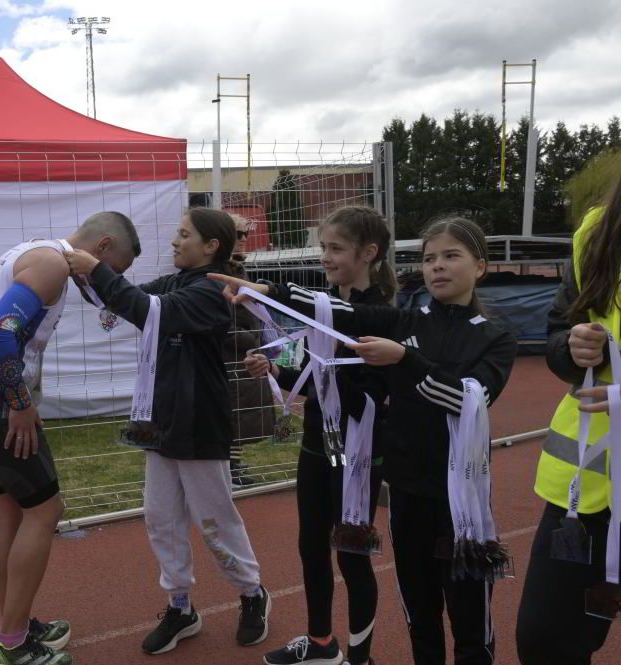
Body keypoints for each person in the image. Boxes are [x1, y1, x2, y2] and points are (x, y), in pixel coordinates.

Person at [212, 216, 518, 665]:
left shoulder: (495, 338)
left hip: (461, 503)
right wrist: (270, 292)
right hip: (408, 494)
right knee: (420, 614)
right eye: (429, 258)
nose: (437, 267)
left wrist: (405, 359)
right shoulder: (405, 319)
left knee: (470, 618)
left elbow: (470, 398)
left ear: (480, 267)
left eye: (451, 256)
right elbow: (343, 313)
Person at [65, 207, 271, 656]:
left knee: (215, 523)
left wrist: (95, 267)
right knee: (161, 520)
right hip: (161, 423)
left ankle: (252, 593)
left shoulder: (212, 290)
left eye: (183, 234)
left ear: (211, 246)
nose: (175, 241)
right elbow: (118, 301)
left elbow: (147, 309)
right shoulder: (176, 282)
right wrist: (79, 264)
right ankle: (180, 607)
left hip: (200, 424)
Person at [0, 212, 141, 665]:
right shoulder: (52, 264)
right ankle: (10, 644)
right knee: (44, 510)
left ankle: (17, 622)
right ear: (103, 247)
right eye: (113, 270)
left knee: (10, 508)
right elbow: (0, 332)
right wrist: (21, 404)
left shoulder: (34, 249)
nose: (108, 282)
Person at [244, 206, 394, 665]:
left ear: (368, 253)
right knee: (311, 546)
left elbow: (368, 393)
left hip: (359, 451)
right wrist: (277, 369)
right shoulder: (322, 304)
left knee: (351, 555)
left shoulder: (382, 316)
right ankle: (321, 644)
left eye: (336, 248)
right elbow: (312, 378)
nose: (325, 257)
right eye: (323, 247)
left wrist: (326, 379)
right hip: (317, 443)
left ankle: (361, 657)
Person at [515, 174, 621, 665]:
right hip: (585, 493)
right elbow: (559, 333)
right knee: (545, 640)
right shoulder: (598, 230)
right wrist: (570, 345)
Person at [225, 214, 277, 487]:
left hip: (245, 356)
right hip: (233, 356)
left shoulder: (238, 269)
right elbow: (222, 321)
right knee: (233, 414)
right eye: (238, 233)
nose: (244, 239)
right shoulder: (225, 272)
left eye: (246, 233)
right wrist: (252, 340)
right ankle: (229, 469)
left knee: (241, 414)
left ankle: (233, 465)